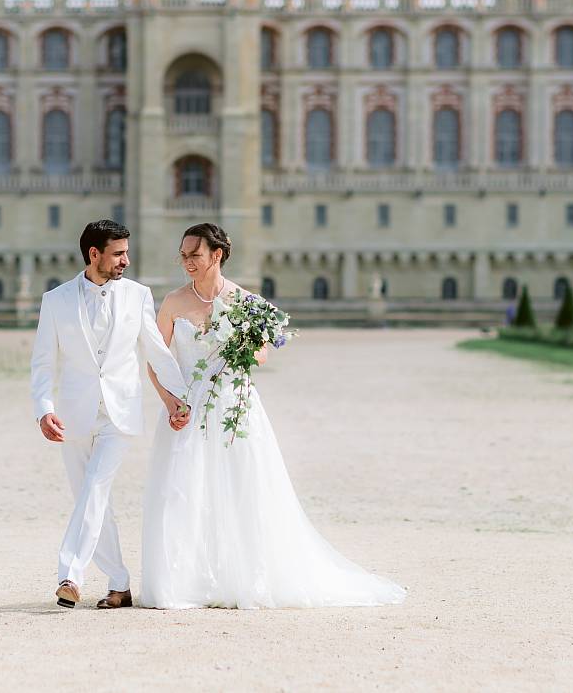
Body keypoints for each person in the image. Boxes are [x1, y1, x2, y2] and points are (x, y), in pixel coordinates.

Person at [141, 222, 406, 609]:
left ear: (216, 255)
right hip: (187, 407)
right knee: (183, 490)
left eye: (194, 255)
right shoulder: (173, 302)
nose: (187, 262)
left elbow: (262, 354)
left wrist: (241, 349)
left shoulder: (247, 302)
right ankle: (187, 580)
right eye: (182, 255)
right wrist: (170, 403)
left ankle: (242, 576)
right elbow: (157, 361)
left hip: (235, 404)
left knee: (243, 488)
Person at [29, 220, 189, 610]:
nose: (126, 260)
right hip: (72, 415)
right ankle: (119, 584)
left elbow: (156, 351)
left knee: (95, 489)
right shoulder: (56, 300)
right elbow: (43, 363)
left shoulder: (138, 295)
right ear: (94, 254)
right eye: (118, 253)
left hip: (119, 413)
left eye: (126, 252)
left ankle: (71, 574)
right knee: (92, 498)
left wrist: (181, 397)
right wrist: (43, 410)